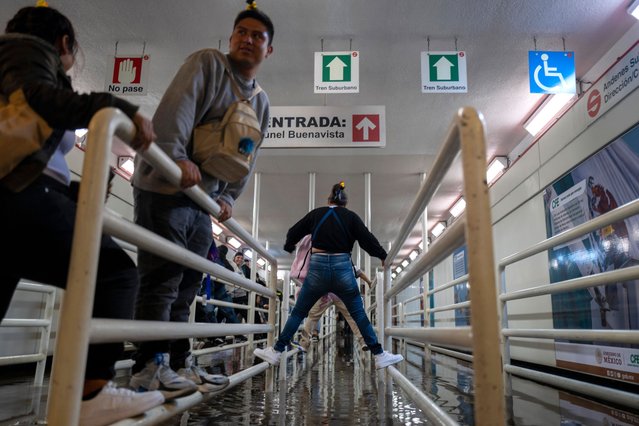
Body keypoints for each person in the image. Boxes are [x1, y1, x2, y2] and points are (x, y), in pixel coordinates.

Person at [0, 5, 163, 425]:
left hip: (21, 194)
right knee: (114, 272)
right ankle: (91, 393)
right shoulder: (25, 55)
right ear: (64, 43)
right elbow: (41, 99)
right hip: (21, 192)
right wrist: (119, 109)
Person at [129, 3, 274, 392]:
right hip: (165, 188)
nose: (247, 39)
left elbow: (247, 154)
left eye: (257, 36)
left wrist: (228, 197)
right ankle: (149, 365)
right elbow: (178, 108)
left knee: (189, 283)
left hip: (202, 201)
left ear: (268, 50)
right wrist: (175, 157)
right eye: (240, 32)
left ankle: (177, 362)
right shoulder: (207, 64)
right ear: (231, 38)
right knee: (162, 279)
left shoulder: (261, 102)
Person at [254, 182, 404, 369]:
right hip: (343, 268)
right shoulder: (350, 217)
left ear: (329, 200)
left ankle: (276, 351)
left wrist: (288, 246)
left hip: (317, 269)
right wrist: (382, 255)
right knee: (358, 314)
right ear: (345, 203)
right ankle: (379, 354)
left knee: (299, 312)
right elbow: (367, 239)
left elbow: (294, 231)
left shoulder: (316, 214)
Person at [299, 268, 372, 351]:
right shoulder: (345, 261)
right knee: (352, 318)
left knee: (312, 317)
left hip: (326, 296)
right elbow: (359, 272)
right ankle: (363, 341)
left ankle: (304, 344)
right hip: (341, 295)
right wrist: (369, 282)